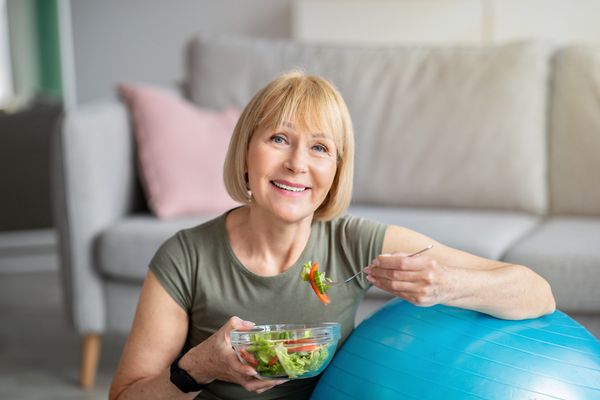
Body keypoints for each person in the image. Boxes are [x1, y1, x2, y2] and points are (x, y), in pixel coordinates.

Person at [109, 71, 555, 400]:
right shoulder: (185, 257)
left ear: (336, 171)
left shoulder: (353, 243)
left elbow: (536, 292)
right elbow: (125, 397)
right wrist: (198, 368)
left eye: (320, 148)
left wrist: (446, 285)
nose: (297, 164)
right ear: (246, 151)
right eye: (279, 139)